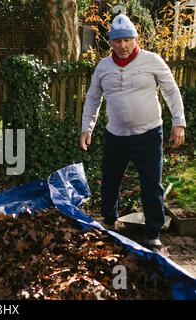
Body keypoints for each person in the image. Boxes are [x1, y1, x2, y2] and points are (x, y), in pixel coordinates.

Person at [79, 14, 186, 253]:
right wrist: (87, 128)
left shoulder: (152, 61)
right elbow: (93, 98)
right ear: (111, 43)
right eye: (117, 41)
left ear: (135, 39)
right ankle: (108, 220)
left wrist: (178, 123)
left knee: (151, 184)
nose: (123, 45)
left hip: (148, 134)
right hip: (115, 135)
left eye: (127, 39)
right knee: (110, 179)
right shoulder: (103, 67)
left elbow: (171, 91)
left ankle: (153, 233)